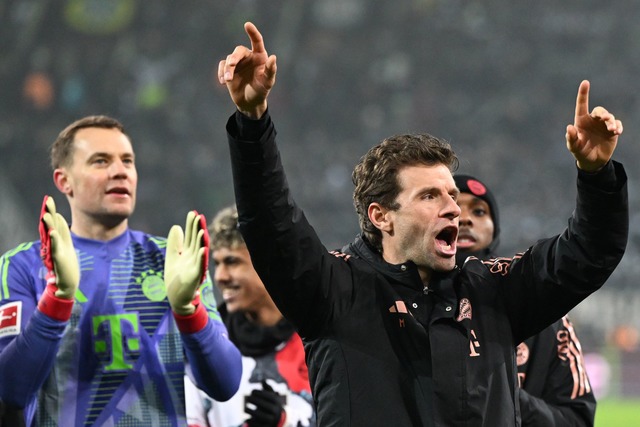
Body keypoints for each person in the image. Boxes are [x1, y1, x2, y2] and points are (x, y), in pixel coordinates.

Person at [217, 22, 628, 426]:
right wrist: (253, 125)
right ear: (382, 216)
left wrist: (597, 177)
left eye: (451, 195)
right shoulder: (335, 290)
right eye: (430, 196)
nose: (454, 209)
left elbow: (587, 255)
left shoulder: (493, 291)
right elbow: (272, 228)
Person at [0, 115, 242, 426]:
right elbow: (10, 391)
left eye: (127, 161)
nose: (120, 171)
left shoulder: (173, 261)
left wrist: (189, 310)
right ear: (64, 181)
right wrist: (57, 300)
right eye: (100, 161)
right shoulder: (23, 266)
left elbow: (225, 383)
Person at [455, 174, 596, 426]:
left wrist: (503, 396)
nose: (464, 218)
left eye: (478, 211)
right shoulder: (405, 303)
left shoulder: (545, 311)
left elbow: (577, 419)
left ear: (494, 227)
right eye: (453, 209)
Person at [185, 205, 315, 427]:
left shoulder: (318, 340)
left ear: (268, 264)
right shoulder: (206, 349)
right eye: (217, 264)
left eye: (232, 261)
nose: (220, 277)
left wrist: (286, 422)